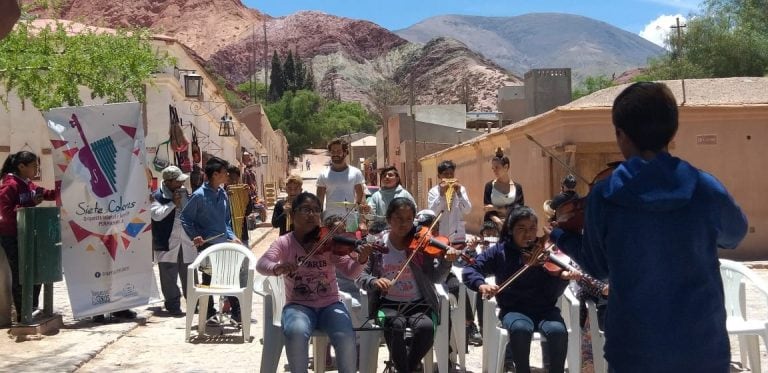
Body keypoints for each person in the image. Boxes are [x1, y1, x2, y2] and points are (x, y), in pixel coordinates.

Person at [550, 82, 748, 372]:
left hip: (634, 348)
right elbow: (735, 234)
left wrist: (559, 234)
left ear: (620, 135)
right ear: (673, 131)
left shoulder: (605, 195)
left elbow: (597, 266)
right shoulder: (705, 187)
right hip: (702, 345)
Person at [256, 192, 372, 373]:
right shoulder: (285, 242)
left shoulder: (327, 242)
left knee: (346, 335)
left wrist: (361, 260)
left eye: (316, 210)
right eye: (306, 210)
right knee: (295, 332)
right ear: (293, 215)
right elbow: (262, 264)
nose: (312, 214)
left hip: (330, 304)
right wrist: (277, 268)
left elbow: (351, 272)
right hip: (298, 306)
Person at [463, 206, 572, 373]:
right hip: (513, 310)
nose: (528, 235)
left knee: (558, 330)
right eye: (521, 229)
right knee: (520, 329)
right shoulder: (500, 252)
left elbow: (553, 293)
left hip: (546, 310)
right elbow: (471, 269)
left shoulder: (545, 253)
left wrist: (562, 279)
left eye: (532, 229)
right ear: (510, 230)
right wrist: (481, 284)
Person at [357, 198, 455, 373]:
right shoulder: (377, 244)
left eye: (409, 219)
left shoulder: (420, 245)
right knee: (395, 325)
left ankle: (405, 368)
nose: (404, 223)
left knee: (425, 328)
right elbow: (360, 276)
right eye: (399, 218)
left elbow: (436, 278)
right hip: (387, 304)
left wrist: (446, 263)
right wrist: (374, 281)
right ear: (388, 219)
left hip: (420, 303)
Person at [181, 156, 241, 322]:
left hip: (224, 244)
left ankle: (235, 312)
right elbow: (185, 218)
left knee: (229, 276)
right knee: (209, 279)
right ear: (215, 174)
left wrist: (232, 236)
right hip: (207, 246)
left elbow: (226, 221)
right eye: (224, 172)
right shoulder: (199, 196)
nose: (227, 175)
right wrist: (195, 236)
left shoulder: (222, 194)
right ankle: (208, 313)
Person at [0, 151, 56, 323]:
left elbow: (43, 193)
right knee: (20, 274)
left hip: (27, 234)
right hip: (12, 236)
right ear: (21, 166)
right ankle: (21, 314)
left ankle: (31, 308)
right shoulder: (10, 185)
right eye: (33, 166)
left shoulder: (27, 184)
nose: (36, 170)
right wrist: (30, 203)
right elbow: (5, 212)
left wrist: (64, 191)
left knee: (36, 270)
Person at [150, 166, 195, 316]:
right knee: (168, 276)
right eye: (178, 181)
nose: (181, 184)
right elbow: (156, 215)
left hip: (186, 241)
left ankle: (194, 303)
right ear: (168, 182)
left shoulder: (183, 193)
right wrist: (172, 204)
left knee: (189, 273)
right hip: (167, 242)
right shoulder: (156, 196)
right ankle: (173, 304)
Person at [316, 139, 368, 234]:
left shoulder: (355, 173)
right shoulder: (323, 175)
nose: (335, 154)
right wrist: (318, 222)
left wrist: (362, 222)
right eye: (332, 151)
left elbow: (361, 200)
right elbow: (319, 202)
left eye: (338, 151)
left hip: (350, 221)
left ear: (345, 152)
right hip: (329, 221)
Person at [427, 160, 471, 245]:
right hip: (440, 235)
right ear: (439, 176)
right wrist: (441, 195)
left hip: (458, 235)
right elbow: (433, 213)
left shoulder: (461, 189)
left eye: (451, 173)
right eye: (446, 174)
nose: (449, 176)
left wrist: (459, 194)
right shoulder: (433, 192)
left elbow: (467, 210)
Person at [483, 147, 524, 230]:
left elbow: (518, 209)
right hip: (493, 227)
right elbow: (487, 209)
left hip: (513, 226)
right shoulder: (489, 186)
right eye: (493, 168)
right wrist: (498, 221)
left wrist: (496, 208)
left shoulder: (517, 187)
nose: (494, 171)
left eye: (497, 167)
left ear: (506, 167)